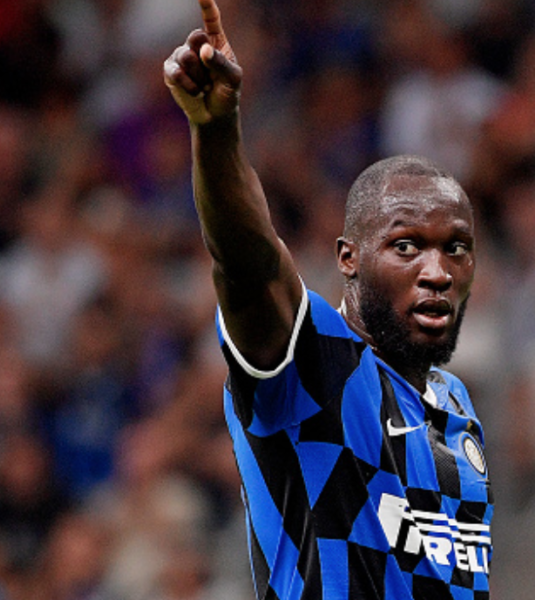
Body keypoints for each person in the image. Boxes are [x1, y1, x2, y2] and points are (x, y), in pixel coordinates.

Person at [163, 1, 492, 598]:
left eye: (456, 249)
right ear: (348, 259)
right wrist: (216, 133)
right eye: (406, 246)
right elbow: (248, 263)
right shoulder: (315, 364)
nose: (437, 272)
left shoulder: (456, 404)